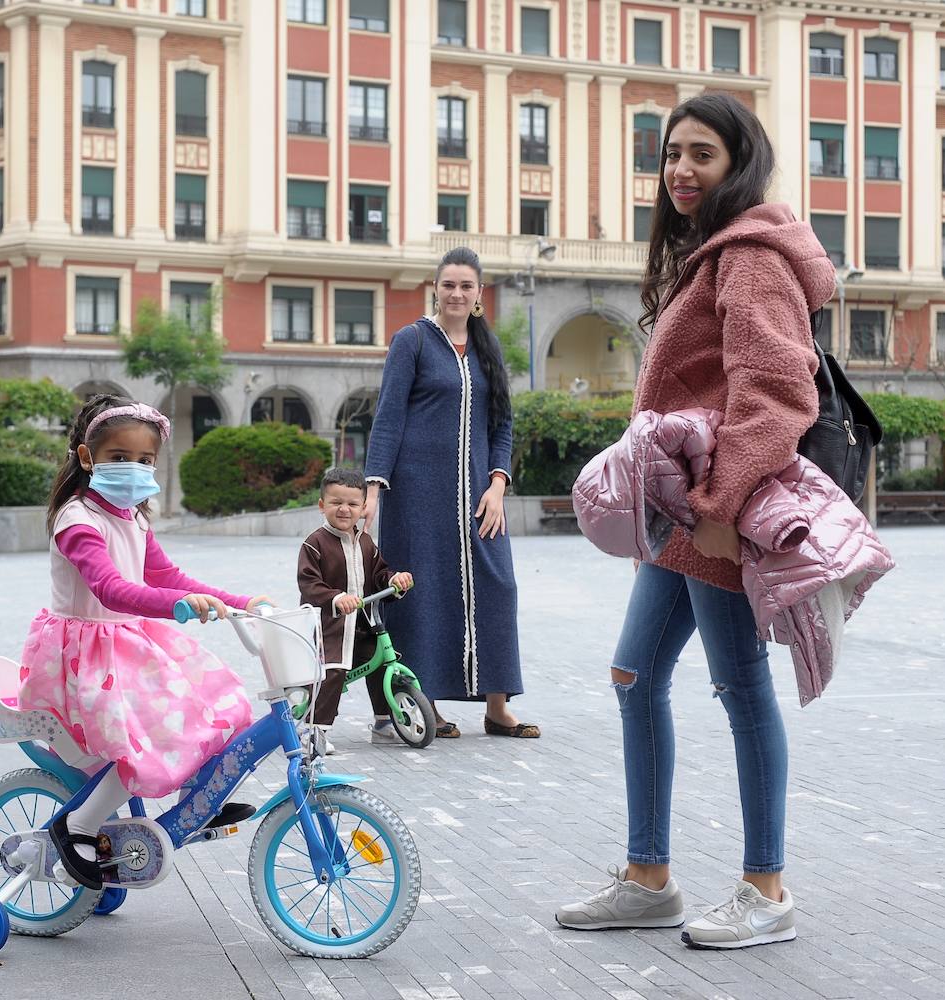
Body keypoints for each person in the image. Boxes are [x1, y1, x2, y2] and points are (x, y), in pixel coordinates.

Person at [552, 93, 834, 950]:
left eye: (701, 154)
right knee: (634, 675)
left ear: (738, 163)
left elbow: (777, 391)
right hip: (684, 515)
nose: (680, 169)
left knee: (741, 690)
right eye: (672, 153)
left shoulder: (749, 254)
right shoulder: (706, 255)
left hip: (719, 512)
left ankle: (767, 889)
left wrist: (719, 510)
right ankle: (649, 877)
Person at [15, 393, 271, 890]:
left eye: (144, 460)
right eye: (119, 457)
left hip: (125, 642)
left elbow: (168, 574)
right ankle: (78, 825)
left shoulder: (134, 517)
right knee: (147, 740)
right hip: (84, 655)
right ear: (88, 459)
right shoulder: (77, 520)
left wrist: (240, 601)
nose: (133, 468)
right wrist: (173, 606)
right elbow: (109, 588)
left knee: (215, 701)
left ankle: (198, 800)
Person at [362, 246, 536, 740]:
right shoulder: (412, 341)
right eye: (449, 284)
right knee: (424, 593)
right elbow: (389, 418)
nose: (457, 293)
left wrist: (498, 484)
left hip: (480, 497)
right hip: (417, 495)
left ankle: (497, 706)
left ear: (480, 294)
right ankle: (426, 704)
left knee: (497, 587)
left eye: (466, 286)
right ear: (434, 288)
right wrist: (375, 486)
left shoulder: (487, 348)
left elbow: (502, 424)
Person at [296, 467, 413, 753]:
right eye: (336, 502)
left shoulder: (365, 543)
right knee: (332, 672)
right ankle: (315, 731)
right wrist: (335, 598)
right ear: (322, 505)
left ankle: (384, 723)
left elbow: (379, 574)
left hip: (363, 623)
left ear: (363, 508)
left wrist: (394, 580)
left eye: (352, 504)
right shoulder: (315, 544)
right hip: (330, 626)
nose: (344, 509)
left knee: (382, 662)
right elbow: (309, 583)